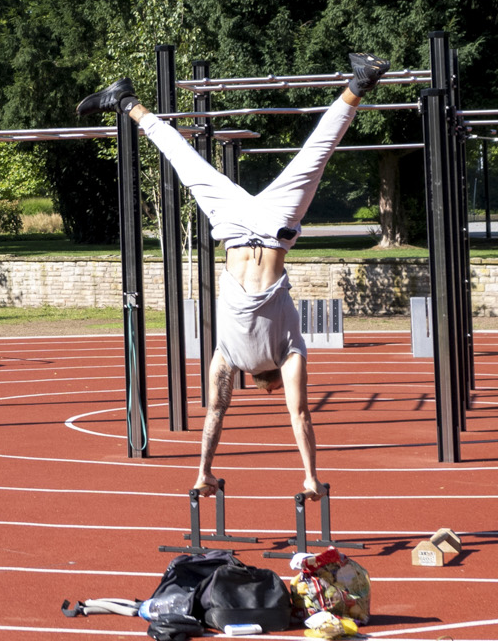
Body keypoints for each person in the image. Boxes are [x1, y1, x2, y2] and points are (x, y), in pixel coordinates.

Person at [77, 55, 389, 499]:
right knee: (185, 161)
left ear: (273, 380)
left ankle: (361, 81)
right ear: (255, 381)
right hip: (234, 229)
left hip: (272, 228)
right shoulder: (230, 358)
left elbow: (300, 415)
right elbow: (215, 415)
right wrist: (202, 470)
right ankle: (127, 101)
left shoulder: (286, 353)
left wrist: (311, 477)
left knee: (314, 154)